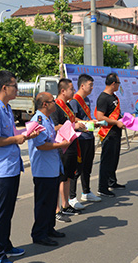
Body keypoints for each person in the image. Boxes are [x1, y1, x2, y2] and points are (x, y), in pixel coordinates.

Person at [0, 70, 39, 263]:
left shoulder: (6, 108)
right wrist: (16, 139)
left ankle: (5, 245)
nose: (17, 89)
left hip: (10, 167)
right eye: (14, 86)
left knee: (8, 210)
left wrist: (27, 134)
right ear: (5, 87)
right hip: (0, 170)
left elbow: (11, 134)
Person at [28, 92, 72, 247]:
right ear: (45, 104)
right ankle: (39, 233)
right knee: (43, 203)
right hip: (43, 169)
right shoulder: (37, 120)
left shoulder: (46, 119)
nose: (55, 103)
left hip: (52, 167)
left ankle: (49, 228)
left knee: (52, 200)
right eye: (52, 101)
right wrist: (62, 145)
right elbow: (40, 145)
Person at [50, 78, 87, 220]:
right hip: (61, 147)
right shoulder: (56, 106)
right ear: (63, 91)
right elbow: (54, 127)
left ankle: (65, 205)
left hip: (71, 144)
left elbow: (73, 121)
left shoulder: (68, 106)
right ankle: (57, 209)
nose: (73, 91)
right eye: (71, 89)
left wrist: (85, 124)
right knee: (61, 178)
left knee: (69, 177)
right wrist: (73, 127)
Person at [70, 74, 101, 203]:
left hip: (89, 135)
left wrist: (92, 122)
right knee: (77, 168)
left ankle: (86, 191)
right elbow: (73, 118)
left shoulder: (86, 99)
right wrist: (85, 122)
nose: (92, 87)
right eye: (90, 85)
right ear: (82, 85)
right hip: (80, 138)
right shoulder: (74, 100)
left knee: (87, 167)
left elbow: (86, 117)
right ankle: (71, 197)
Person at [95, 73, 126, 197]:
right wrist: (116, 122)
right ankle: (102, 187)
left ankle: (112, 182)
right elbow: (100, 117)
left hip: (116, 132)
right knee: (106, 160)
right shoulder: (103, 98)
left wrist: (124, 119)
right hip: (108, 132)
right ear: (113, 84)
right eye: (118, 83)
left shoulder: (114, 96)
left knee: (114, 159)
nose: (119, 85)